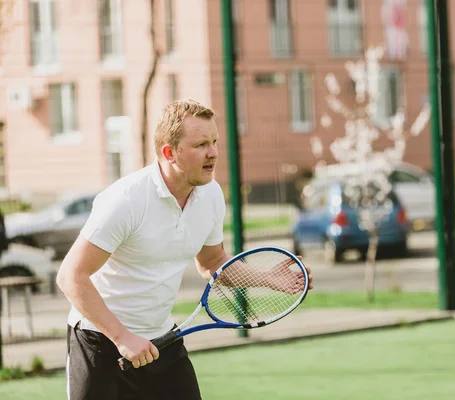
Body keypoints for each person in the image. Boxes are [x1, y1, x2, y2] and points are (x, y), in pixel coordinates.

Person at [56, 99, 313, 400]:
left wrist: (269, 279)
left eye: (215, 141)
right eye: (201, 144)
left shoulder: (211, 195)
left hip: (163, 340)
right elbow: (71, 275)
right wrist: (123, 337)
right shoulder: (125, 200)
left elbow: (212, 262)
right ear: (169, 152)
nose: (213, 153)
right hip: (99, 343)